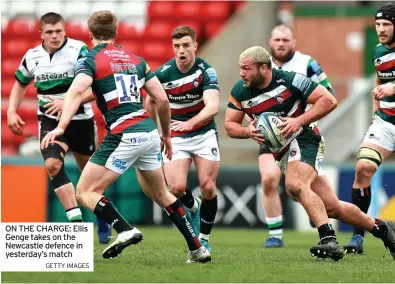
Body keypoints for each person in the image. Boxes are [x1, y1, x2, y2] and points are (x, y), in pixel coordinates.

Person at [41, 11, 211, 263]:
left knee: (85, 191)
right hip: (149, 133)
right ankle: (198, 249)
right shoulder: (135, 59)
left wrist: (60, 126)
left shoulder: (90, 59)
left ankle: (125, 229)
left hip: (123, 133)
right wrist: (166, 135)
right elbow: (162, 99)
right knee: (162, 194)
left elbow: (76, 93)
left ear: (90, 34)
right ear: (116, 32)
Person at [225, 46, 395, 261]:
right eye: (240, 69)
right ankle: (382, 228)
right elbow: (230, 125)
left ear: (264, 68)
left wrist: (299, 120)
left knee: (295, 185)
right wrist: (247, 131)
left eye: (246, 69)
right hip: (283, 153)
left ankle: (328, 238)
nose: (241, 74)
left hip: (305, 139)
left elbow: (329, 100)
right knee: (333, 208)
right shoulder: (240, 90)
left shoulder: (291, 80)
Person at [6, 12, 111, 244]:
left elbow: (97, 88)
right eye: (49, 32)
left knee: (90, 179)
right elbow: (19, 84)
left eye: (58, 31)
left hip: (81, 120)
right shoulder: (32, 56)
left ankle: (103, 217)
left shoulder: (79, 51)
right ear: (41, 34)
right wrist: (12, 110)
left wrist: (68, 103)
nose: (54, 36)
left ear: (65, 31)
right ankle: (76, 226)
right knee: (52, 165)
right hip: (49, 120)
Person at [256, 24, 336, 248]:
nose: (281, 44)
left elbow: (329, 94)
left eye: (285, 40)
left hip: (302, 134)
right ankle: (275, 235)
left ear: (294, 43)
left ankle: (316, 210)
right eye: (277, 40)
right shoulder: (260, 65)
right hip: (271, 135)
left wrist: (302, 116)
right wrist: (252, 125)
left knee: (298, 188)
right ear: (270, 42)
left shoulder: (307, 63)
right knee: (269, 179)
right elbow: (247, 101)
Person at [150, 26, 220, 253]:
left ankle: (204, 238)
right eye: (177, 46)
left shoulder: (206, 72)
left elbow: (213, 107)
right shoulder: (162, 74)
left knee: (208, 187)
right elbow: (149, 103)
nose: (181, 51)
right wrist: (157, 131)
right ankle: (193, 206)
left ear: (195, 46)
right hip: (176, 136)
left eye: (186, 45)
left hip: (203, 133)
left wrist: (191, 123)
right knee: (176, 188)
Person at [344, 3, 395, 254]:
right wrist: (377, 107)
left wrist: (392, 88)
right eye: (378, 24)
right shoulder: (377, 50)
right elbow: (380, 78)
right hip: (386, 121)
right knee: (363, 168)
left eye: (387, 24)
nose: (381, 29)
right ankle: (358, 236)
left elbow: (389, 84)